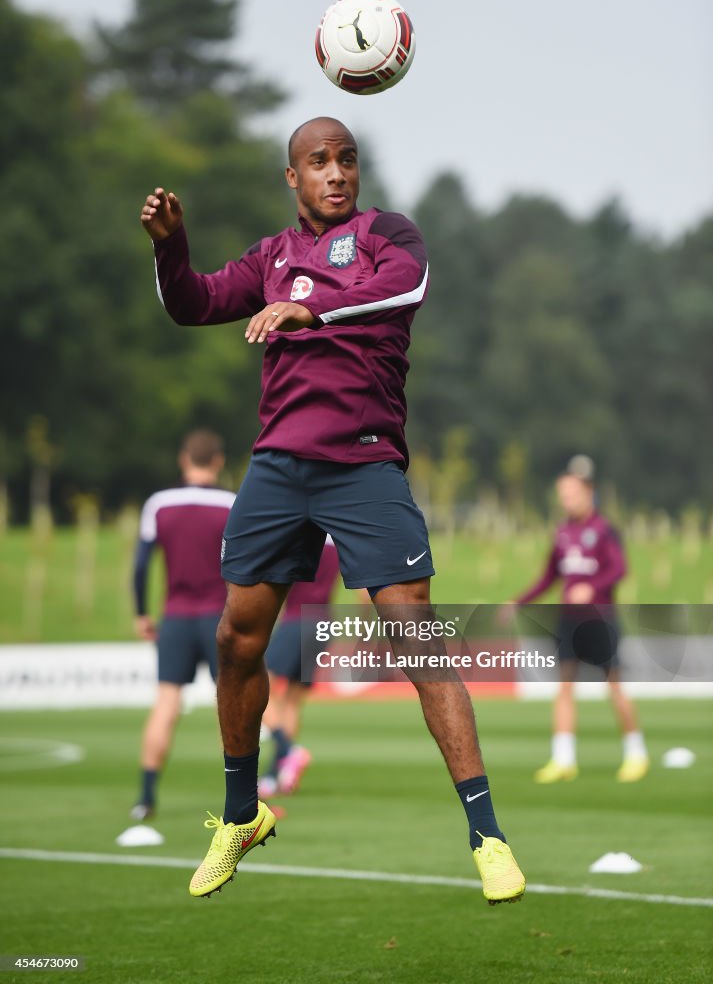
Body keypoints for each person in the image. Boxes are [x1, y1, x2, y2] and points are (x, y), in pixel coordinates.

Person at [140, 116, 525, 905]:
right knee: (236, 639)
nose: (335, 173)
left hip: (364, 463)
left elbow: (403, 288)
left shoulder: (388, 235)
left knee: (418, 640)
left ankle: (487, 835)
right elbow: (192, 304)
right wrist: (169, 247)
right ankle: (242, 815)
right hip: (280, 467)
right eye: (318, 162)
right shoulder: (271, 257)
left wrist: (310, 311)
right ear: (293, 177)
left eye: (346, 160)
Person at [509, 455, 649, 784]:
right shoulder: (563, 532)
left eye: (570, 493)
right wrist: (519, 601)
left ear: (588, 492)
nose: (566, 500)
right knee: (564, 688)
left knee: (614, 687)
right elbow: (549, 576)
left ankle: (636, 753)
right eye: (562, 495)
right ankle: (563, 759)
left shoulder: (604, 530)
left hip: (600, 619)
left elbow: (619, 568)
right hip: (569, 622)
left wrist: (592, 587)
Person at [131, 429, 235, 820]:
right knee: (231, 706)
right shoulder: (231, 504)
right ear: (219, 460)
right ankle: (245, 800)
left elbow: (141, 565)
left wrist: (142, 612)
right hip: (218, 617)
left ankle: (145, 798)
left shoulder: (159, 504)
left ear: (183, 459)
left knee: (166, 705)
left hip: (175, 617)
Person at [259, 536, 341, 798]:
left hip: (296, 620)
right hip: (323, 623)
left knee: (257, 689)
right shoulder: (337, 541)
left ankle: (287, 750)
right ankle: (277, 775)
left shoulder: (296, 535)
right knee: (292, 700)